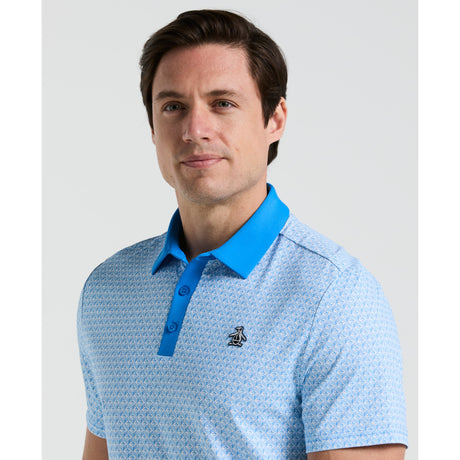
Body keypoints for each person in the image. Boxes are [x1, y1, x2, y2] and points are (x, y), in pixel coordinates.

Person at [77, 9, 408, 460]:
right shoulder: (107, 290)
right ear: (153, 127)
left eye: (222, 103)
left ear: (275, 119)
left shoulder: (335, 297)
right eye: (173, 106)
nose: (194, 130)